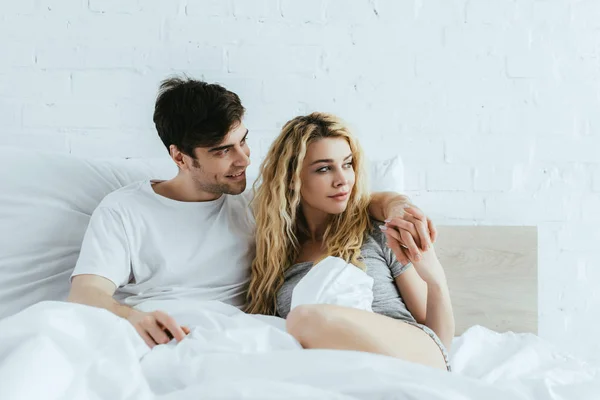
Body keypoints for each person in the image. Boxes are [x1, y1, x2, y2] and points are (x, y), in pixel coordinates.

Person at [67, 77, 433, 349]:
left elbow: (340, 196)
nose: (243, 159)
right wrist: (134, 318)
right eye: (223, 150)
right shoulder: (125, 209)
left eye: (243, 140)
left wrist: (394, 204)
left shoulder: (257, 205)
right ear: (180, 157)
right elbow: (86, 293)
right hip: (155, 332)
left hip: (235, 339)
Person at [246, 112, 455, 371]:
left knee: (304, 317)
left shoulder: (377, 231)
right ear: (291, 180)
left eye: (347, 164)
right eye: (324, 169)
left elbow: (440, 341)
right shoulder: (276, 260)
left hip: (416, 353)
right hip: (342, 370)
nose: (342, 179)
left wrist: (435, 280)